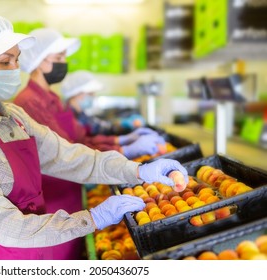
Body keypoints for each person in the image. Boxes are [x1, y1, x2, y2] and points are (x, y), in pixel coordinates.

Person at [0, 14, 189, 260]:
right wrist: (92, 219)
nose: (16, 69)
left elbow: (68, 156)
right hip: (0, 257)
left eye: (17, 60)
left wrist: (137, 171)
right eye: (5, 62)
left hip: (41, 245)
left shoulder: (14, 116)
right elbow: (7, 227)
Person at [14, 28, 166, 259]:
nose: (64, 63)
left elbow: (80, 140)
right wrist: (123, 153)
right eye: (58, 58)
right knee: (57, 255)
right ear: (38, 62)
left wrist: (121, 143)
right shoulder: (29, 102)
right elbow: (61, 155)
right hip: (54, 194)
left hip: (72, 185)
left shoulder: (52, 99)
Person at [61, 70, 146, 136]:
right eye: (91, 94)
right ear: (79, 94)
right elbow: (100, 129)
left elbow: (99, 126)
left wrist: (122, 123)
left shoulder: (80, 114)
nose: (93, 97)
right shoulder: (70, 117)